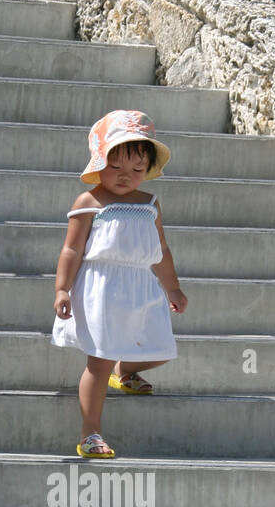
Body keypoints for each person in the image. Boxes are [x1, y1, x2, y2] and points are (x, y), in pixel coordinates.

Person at [52, 109, 188, 459]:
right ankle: (90, 432)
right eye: (117, 168)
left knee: (158, 350)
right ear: (100, 162)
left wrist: (171, 287)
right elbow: (71, 249)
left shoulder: (150, 204)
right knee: (98, 362)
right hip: (102, 290)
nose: (126, 176)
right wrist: (63, 289)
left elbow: (161, 250)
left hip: (142, 290)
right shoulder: (90, 203)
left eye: (137, 170)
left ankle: (125, 371)